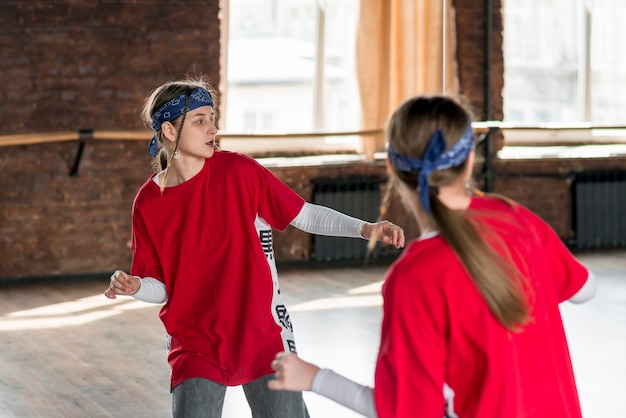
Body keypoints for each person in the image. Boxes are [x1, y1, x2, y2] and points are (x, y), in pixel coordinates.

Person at [268, 95, 597, 417]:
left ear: (391, 167)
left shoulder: (415, 276)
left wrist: (313, 377)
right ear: (469, 161)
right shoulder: (516, 219)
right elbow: (585, 290)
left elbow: (401, 410)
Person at [104, 76, 405, 418]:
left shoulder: (238, 171)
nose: (212, 128)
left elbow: (304, 215)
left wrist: (366, 228)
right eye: (200, 121)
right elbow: (162, 289)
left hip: (260, 333)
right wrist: (136, 286)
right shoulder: (147, 202)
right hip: (195, 344)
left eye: (212, 118)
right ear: (170, 132)